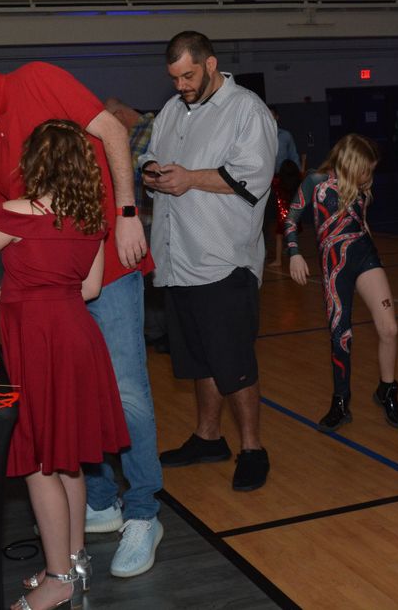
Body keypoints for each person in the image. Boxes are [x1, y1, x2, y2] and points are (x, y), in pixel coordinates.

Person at [0, 38, 164, 578]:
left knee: (127, 392)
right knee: (69, 402)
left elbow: (112, 130)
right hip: (49, 290)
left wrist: (129, 212)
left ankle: (143, 512)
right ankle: (100, 502)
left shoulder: (38, 78)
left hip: (103, 265)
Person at [0, 120, 130, 610]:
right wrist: (26, 290)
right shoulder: (90, 219)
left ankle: (58, 579)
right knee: (67, 456)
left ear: (35, 163)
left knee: (39, 461)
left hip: (37, 341)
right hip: (76, 335)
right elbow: (90, 288)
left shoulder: (17, 213)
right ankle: (75, 563)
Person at [143, 31, 277, 492]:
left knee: (233, 361)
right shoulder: (171, 111)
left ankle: (253, 448)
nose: (181, 85)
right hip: (178, 258)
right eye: (175, 77)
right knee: (199, 360)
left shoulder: (247, 110)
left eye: (188, 75)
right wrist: (150, 172)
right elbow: (151, 155)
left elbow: (252, 176)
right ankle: (208, 437)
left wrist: (190, 178)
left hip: (223, 261)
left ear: (210, 63)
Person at [285, 135, 398, 430]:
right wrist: (295, 254)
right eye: (366, 169)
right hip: (334, 265)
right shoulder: (315, 181)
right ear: (351, 163)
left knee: (389, 328)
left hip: (365, 257)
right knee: (341, 336)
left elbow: (361, 222)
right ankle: (340, 401)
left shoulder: (361, 184)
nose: (369, 176)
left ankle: (387, 391)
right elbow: (290, 218)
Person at [103, 97, 168, 352]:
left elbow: (131, 171)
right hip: (137, 220)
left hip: (151, 218)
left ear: (118, 115)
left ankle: (162, 333)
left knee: (154, 280)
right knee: (144, 280)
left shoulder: (150, 127)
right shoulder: (132, 134)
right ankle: (153, 332)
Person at [266, 159, 303, 266]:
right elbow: (303, 173)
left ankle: (278, 260)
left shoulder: (278, 181)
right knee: (293, 233)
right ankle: (293, 254)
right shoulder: (298, 181)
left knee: (279, 236)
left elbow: (269, 177)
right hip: (295, 213)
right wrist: (303, 160)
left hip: (283, 214)